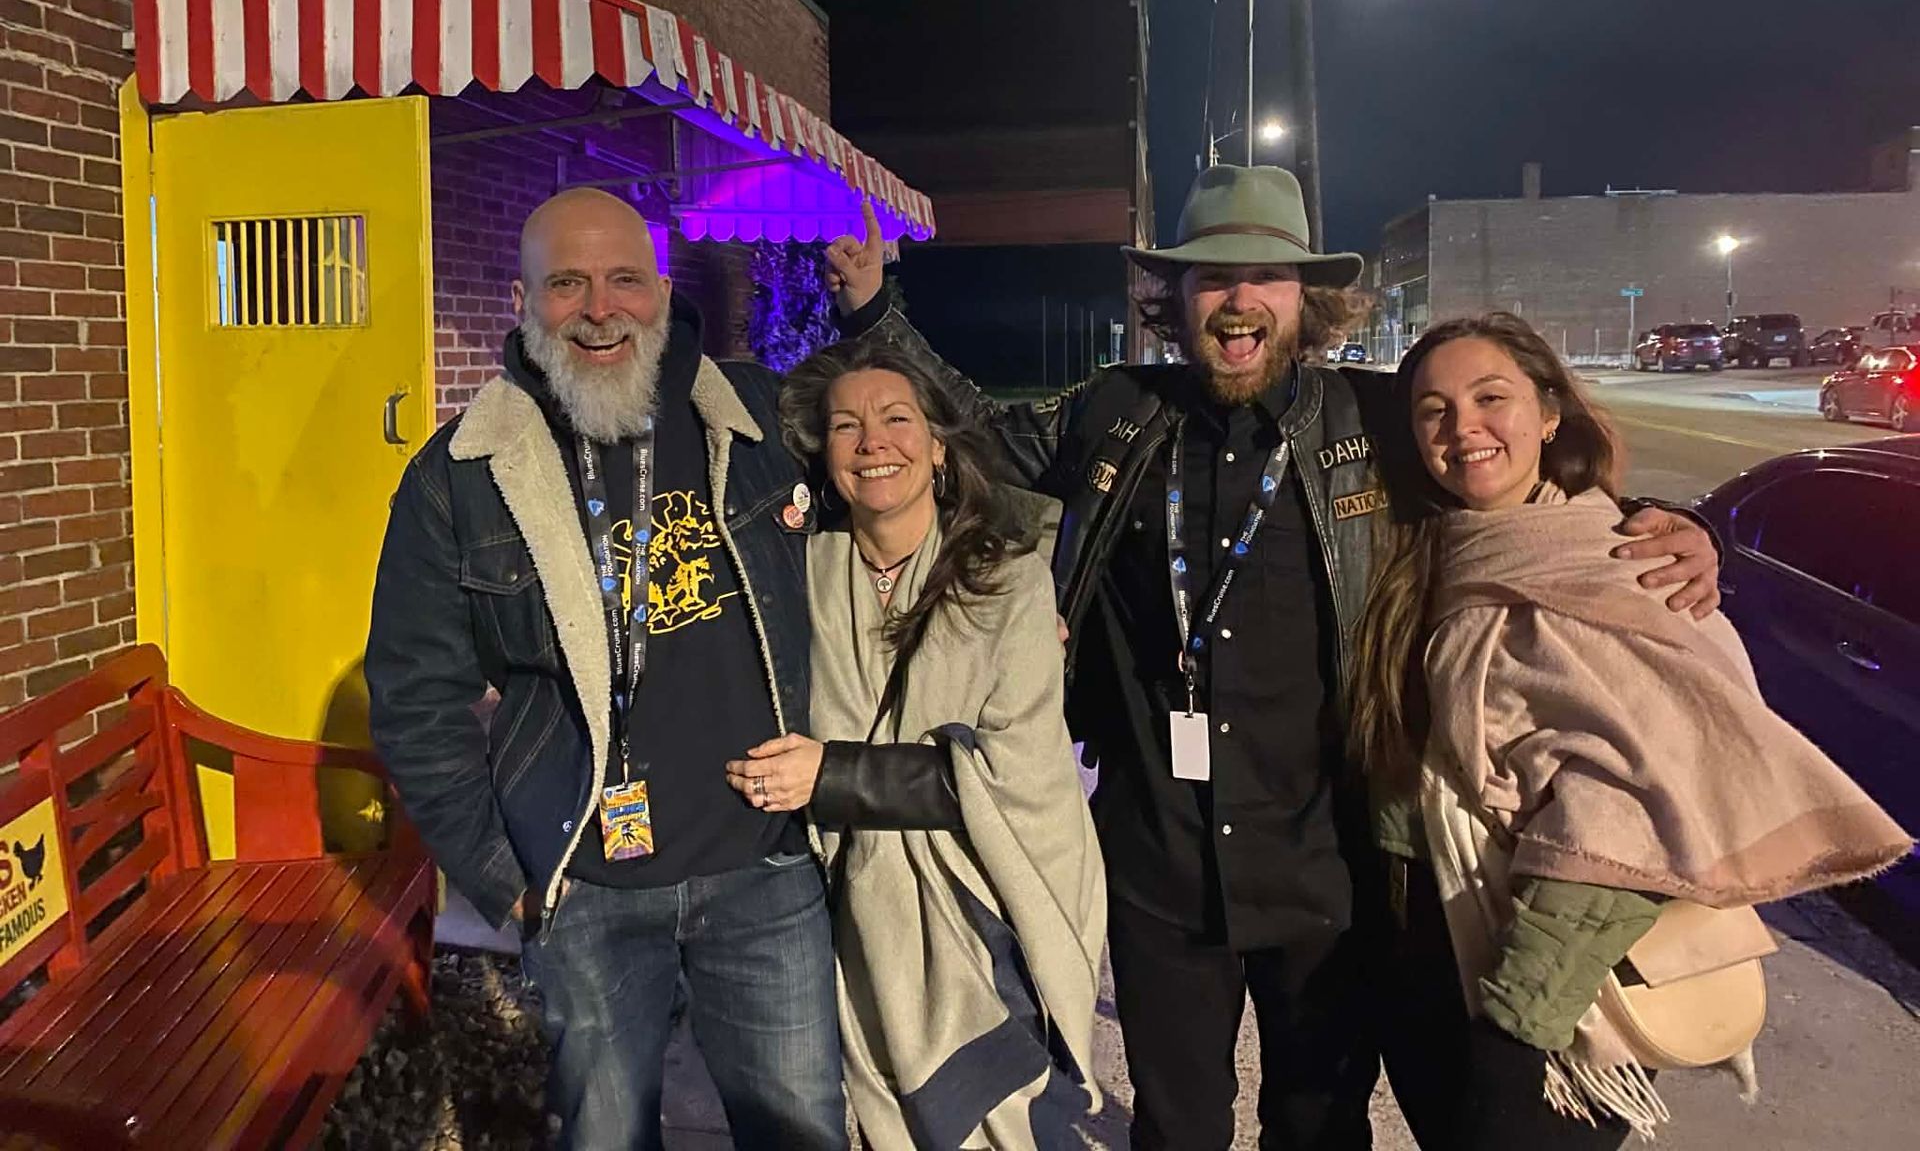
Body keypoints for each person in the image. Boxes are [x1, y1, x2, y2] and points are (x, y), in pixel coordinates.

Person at [834, 163, 1727, 1149]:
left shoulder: (1373, 421)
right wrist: (875, 310)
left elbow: (1522, 483)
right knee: (1177, 1129)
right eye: (1213, 278)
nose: (1239, 299)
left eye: (1267, 275)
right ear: (1174, 297)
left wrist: (1661, 521)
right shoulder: (1117, 412)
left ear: (1308, 297)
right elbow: (976, 437)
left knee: (1318, 1124)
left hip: (1330, 868)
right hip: (1155, 857)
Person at [364, 186, 881, 1150]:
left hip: (764, 869)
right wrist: (503, 877)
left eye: (623, 280)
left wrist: (997, 604)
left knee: (801, 1133)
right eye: (567, 284)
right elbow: (412, 698)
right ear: (523, 303)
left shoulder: (759, 416)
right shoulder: (461, 475)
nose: (600, 309)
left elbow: (906, 469)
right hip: (586, 888)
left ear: (661, 290)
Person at [1349, 313, 1909, 1148]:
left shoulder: (1629, 568)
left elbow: (1639, 803)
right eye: (1433, 410)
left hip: (1554, 995)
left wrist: (1515, 1028)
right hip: (1442, 953)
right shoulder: (1444, 550)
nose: (1463, 427)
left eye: (1490, 397)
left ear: (1548, 414)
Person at [720, 338, 1106, 1149]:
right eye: (846, 426)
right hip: (850, 925)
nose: (872, 443)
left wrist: (832, 772)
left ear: (938, 446)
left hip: (982, 912)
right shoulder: (797, 578)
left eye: (897, 420)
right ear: (823, 456)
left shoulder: (1008, 580)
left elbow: (1015, 770)